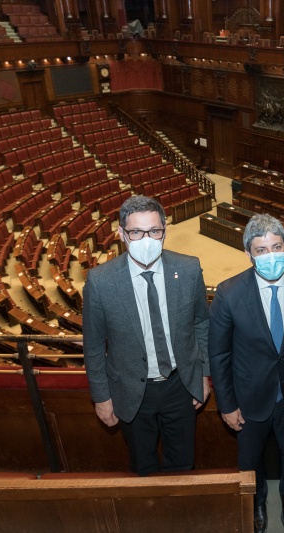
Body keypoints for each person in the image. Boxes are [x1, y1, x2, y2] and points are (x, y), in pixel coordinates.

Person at [209, 214, 284, 533]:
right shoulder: (228, 293)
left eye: (276, 246)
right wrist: (227, 405)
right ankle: (258, 500)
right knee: (251, 460)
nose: (270, 255)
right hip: (248, 399)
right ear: (249, 254)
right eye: (261, 250)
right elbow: (219, 354)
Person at [83, 195, 210, 475]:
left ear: (165, 230)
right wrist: (101, 397)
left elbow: (201, 324)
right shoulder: (100, 281)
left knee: (182, 464)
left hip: (181, 385)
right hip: (130, 390)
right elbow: (93, 346)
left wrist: (203, 375)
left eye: (154, 231)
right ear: (121, 234)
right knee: (143, 465)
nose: (146, 239)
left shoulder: (188, 269)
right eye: (136, 232)